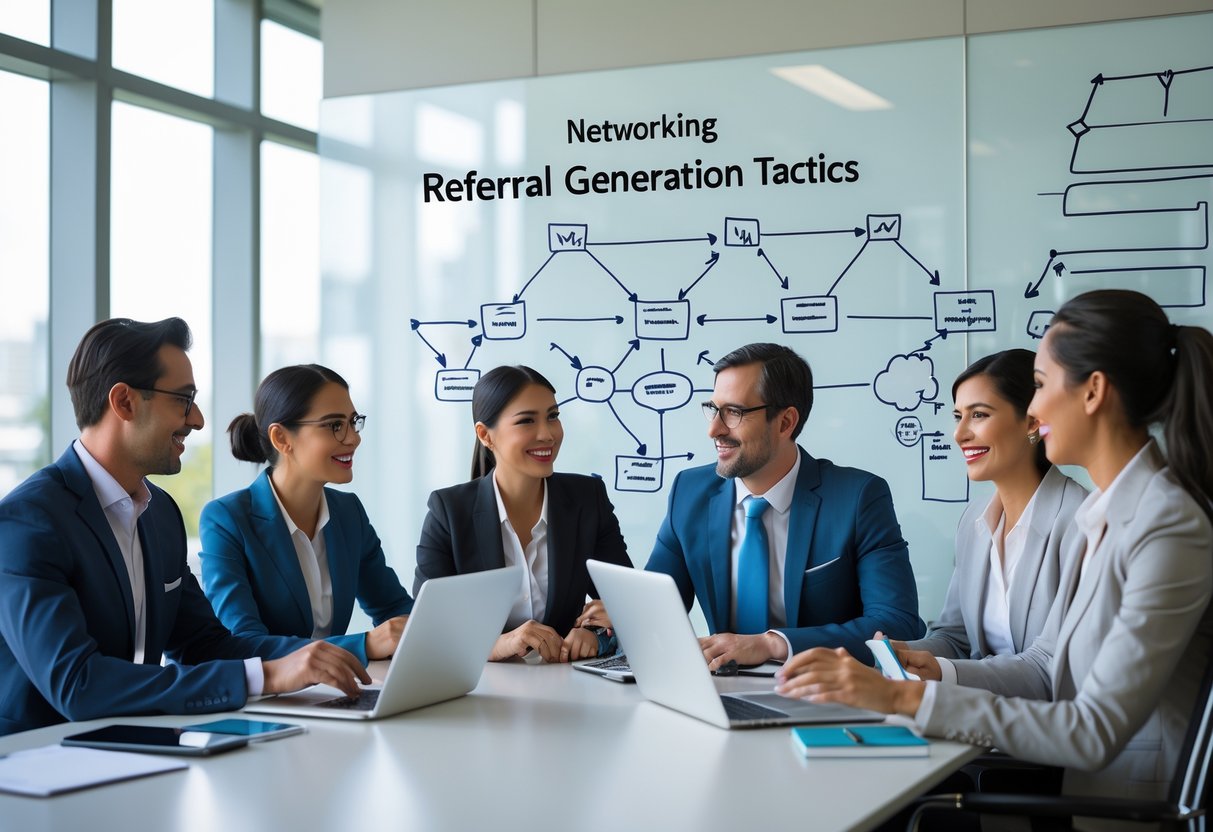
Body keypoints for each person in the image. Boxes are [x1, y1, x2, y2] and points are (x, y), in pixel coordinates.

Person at [777, 290, 1213, 806]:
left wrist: (902, 696)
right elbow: (1047, 664)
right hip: (1083, 791)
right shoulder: (1111, 513)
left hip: (1129, 806)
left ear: (1093, 391)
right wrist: (912, 668)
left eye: (1040, 385)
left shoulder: (1166, 523)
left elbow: (1093, 729)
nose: (1036, 407)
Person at [0, 318, 368, 737]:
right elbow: (78, 684)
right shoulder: (28, 522)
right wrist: (266, 677)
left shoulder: (160, 514)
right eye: (183, 399)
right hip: (33, 761)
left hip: (133, 752)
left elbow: (206, 646)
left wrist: (307, 661)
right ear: (124, 402)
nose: (197, 419)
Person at [645, 342, 924, 671]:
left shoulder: (859, 498)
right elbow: (653, 614)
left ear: (785, 422)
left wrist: (772, 644)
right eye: (712, 408)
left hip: (825, 696)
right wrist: (610, 623)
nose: (713, 429)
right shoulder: (689, 493)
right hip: (718, 691)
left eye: (733, 412)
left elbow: (898, 623)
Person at [414, 365, 633, 663]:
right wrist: (496, 645)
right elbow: (426, 630)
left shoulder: (587, 499)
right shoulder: (449, 511)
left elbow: (627, 605)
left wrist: (595, 635)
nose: (547, 434)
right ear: (485, 435)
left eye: (553, 417)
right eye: (526, 421)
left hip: (567, 687)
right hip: (480, 692)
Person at [199, 364, 414, 667]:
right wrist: (362, 644)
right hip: (271, 699)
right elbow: (243, 642)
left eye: (353, 422)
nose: (353, 438)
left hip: (336, 692)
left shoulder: (348, 512)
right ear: (282, 438)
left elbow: (394, 607)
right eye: (334, 425)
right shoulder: (226, 519)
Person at [902, 349, 1087, 672]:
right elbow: (956, 639)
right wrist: (898, 652)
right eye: (958, 416)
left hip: (1048, 716)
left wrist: (947, 673)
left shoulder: (1079, 520)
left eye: (979, 415)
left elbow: (1053, 667)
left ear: (1031, 422)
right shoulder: (973, 520)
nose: (959, 435)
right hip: (980, 714)